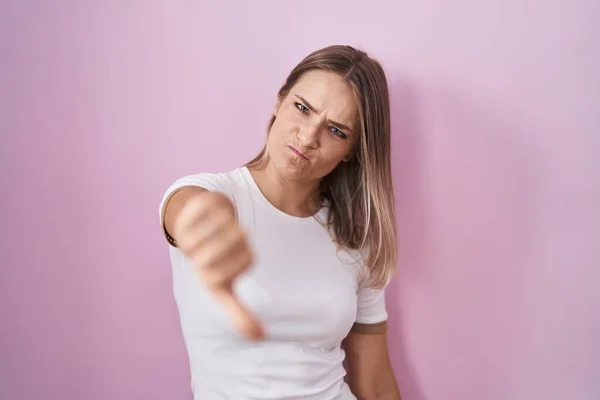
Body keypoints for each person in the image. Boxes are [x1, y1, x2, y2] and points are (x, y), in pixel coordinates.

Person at [159, 44, 401, 399]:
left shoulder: (355, 237)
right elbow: (189, 211)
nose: (307, 136)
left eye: (336, 130)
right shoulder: (211, 194)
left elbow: (375, 382)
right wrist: (209, 230)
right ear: (279, 100)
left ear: (352, 150)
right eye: (302, 108)